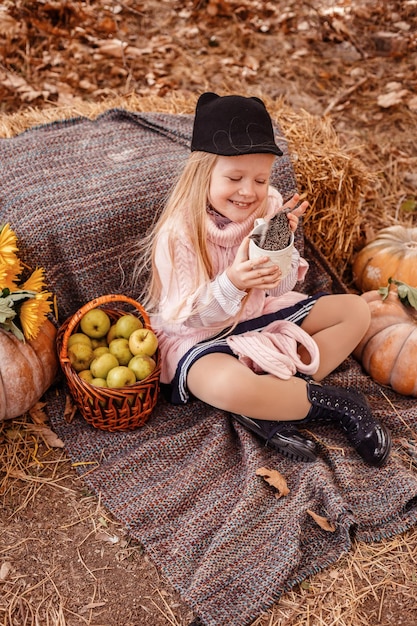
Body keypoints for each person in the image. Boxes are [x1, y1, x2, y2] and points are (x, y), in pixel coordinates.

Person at [134, 92, 391, 466]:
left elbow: (280, 287)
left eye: (260, 178)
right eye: (235, 177)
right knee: (221, 384)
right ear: (203, 173)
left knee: (355, 311)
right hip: (202, 336)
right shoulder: (179, 233)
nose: (248, 191)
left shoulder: (268, 205)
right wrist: (233, 282)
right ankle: (338, 405)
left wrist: (279, 247)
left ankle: (266, 404)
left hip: (260, 317)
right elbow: (184, 317)